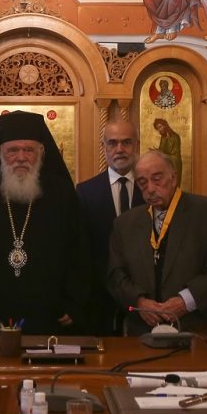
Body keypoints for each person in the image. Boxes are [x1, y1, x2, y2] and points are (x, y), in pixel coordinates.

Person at [0, 110, 90, 334]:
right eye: (13, 150)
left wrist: (74, 303)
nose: (21, 157)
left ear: (41, 153)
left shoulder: (62, 194)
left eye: (28, 150)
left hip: (50, 317)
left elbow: (80, 253)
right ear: (0, 153)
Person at [107, 149, 207, 334]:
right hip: (141, 330)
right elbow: (116, 275)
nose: (150, 189)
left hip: (195, 329)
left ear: (173, 178)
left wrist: (185, 302)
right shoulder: (125, 223)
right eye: (142, 182)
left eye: (157, 179)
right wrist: (139, 302)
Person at [76, 119, 141, 332]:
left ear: (137, 145)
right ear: (103, 147)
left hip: (145, 297)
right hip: (100, 299)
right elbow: (82, 249)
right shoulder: (85, 192)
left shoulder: (150, 189)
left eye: (126, 142)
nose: (119, 149)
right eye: (112, 143)